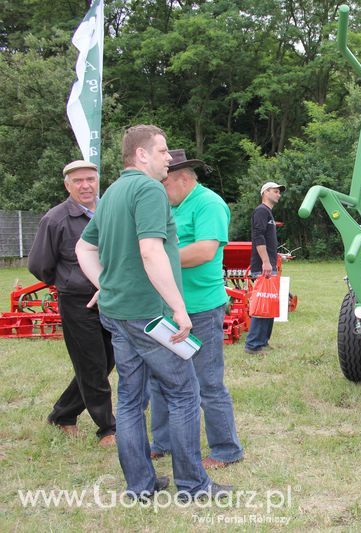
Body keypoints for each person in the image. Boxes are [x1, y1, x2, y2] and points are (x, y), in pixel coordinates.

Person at [76, 125, 229, 500]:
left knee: (129, 399)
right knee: (184, 394)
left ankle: (140, 485)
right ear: (141, 154)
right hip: (150, 315)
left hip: (118, 314)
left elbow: (84, 247)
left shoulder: (112, 192)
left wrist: (105, 285)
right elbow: (150, 251)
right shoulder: (148, 190)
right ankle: (193, 485)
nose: (167, 158)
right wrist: (178, 307)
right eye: (162, 151)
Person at [150, 149, 244, 469]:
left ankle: (227, 449)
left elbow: (205, 251)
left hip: (201, 308)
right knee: (161, 377)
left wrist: (158, 261)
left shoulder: (209, 204)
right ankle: (162, 442)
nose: (161, 190)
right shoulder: (169, 205)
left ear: (183, 178)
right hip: (168, 306)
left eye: (164, 183)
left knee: (207, 381)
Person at [28, 160, 116, 446]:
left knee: (107, 360)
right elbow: (39, 264)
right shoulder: (55, 219)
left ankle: (63, 414)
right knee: (92, 364)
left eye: (90, 179)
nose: (85, 185)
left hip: (112, 297)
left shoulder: (109, 211)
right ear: (67, 185)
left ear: (98, 181)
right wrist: (70, 282)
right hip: (78, 302)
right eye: (78, 181)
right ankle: (107, 429)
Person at [244, 181, 284, 355]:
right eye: (275, 191)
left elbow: (267, 240)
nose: (278, 194)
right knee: (262, 303)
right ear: (265, 192)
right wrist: (266, 262)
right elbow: (258, 237)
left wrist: (276, 255)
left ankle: (263, 342)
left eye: (279, 192)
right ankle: (253, 345)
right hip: (264, 266)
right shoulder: (261, 211)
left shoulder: (268, 213)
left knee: (270, 303)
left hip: (269, 264)